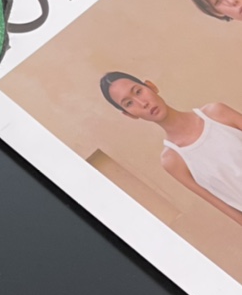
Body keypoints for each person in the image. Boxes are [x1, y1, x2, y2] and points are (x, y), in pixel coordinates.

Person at [100, 71, 242, 227]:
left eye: (138, 91)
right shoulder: (172, 160)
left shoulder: (217, 113)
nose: (142, 103)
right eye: (129, 103)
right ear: (129, 115)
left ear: (151, 86)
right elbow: (225, 206)